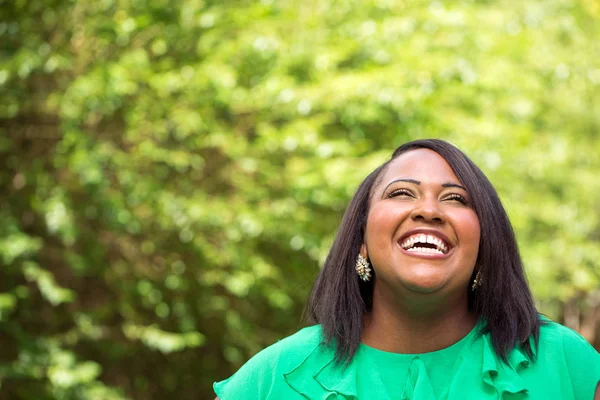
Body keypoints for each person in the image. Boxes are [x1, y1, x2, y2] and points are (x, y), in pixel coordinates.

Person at [214, 139, 600, 399]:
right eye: (401, 193)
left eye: (455, 199)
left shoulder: (567, 364)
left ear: (484, 245)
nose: (429, 210)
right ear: (362, 239)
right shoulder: (269, 380)